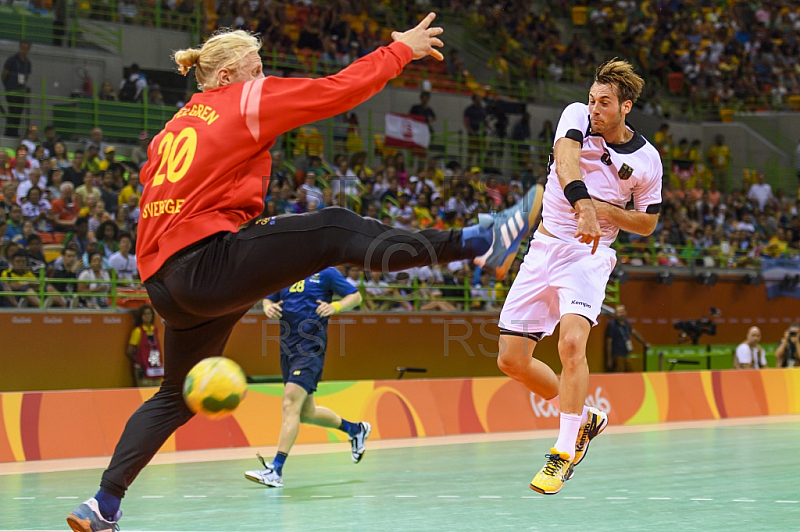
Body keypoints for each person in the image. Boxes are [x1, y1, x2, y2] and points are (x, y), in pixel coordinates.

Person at [67, 15, 544, 531]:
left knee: (175, 396)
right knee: (335, 227)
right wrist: (400, 51)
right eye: (255, 69)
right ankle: (479, 240)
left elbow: (157, 192)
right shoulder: (244, 100)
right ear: (226, 76)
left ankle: (102, 504)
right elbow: (335, 91)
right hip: (208, 263)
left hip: (165, 285)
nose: (262, 76)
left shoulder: (170, 131)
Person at [495, 59, 662, 495]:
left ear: (626, 107)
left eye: (604, 103)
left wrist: (606, 212)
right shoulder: (575, 116)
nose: (594, 109)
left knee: (571, 343)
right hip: (544, 247)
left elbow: (647, 224)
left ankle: (562, 453)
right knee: (511, 360)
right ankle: (586, 418)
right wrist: (583, 204)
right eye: (592, 99)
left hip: (589, 256)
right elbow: (566, 161)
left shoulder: (647, 160)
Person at [244, 267, 365, 488]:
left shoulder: (326, 272)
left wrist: (336, 306)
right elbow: (267, 301)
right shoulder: (284, 272)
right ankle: (355, 430)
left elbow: (356, 296)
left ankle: (276, 469)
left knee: (290, 402)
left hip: (310, 348)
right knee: (306, 413)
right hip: (287, 348)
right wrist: (268, 308)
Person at [126, 304, 164, 387]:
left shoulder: (154, 329)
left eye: (149, 314)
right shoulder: (138, 331)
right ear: (141, 316)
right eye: (145, 314)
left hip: (154, 366)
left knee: (156, 390)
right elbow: (129, 351)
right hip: (142, 368)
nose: (147, 316)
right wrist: (139, 361)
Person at [604, 304, 648, 372]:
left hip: (626, 353)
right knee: (619, 372)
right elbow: (609, 342)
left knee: (631, 371)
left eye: (621, 312)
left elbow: (634, 333)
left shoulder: (626, 323)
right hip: (617, 354)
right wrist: (609, 359)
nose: (620, 314)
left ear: (625, 312)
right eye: (618, 312)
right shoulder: (613, 325)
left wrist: (644, 343)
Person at [2, 41, 32, 137]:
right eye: (22, 48)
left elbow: (26, 76)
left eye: (26, 48)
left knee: (19, 111)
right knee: (13, 111)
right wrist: (8, 86)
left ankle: (15, 132)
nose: (23, 50)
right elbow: (4, 74)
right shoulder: (12, 59)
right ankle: (9, 133)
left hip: (21, 91)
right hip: (11, 90)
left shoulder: (28, 63)